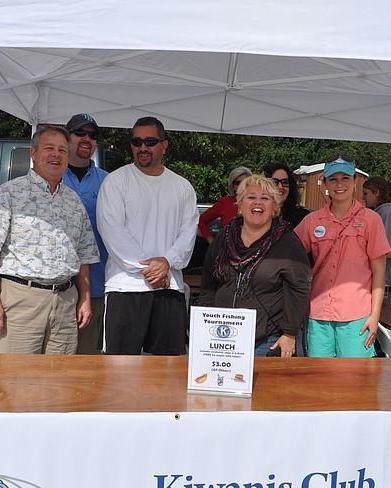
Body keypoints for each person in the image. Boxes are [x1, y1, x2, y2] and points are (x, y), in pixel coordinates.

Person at [0, 125, 99, 354]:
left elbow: (84, 255)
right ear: (33, 153)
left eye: (62, 150)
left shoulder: (74, 203)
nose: (56, 155)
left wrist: (85, 298)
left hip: (64, 305)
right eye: (49, 148)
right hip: (20, 302)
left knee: (58, 383)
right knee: (11, 381)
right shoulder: (7, 195)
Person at [97, 116, 199, 355]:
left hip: (170, 288)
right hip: (125, 288)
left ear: (164, 145)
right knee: (119, 371)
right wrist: (154, 270)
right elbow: (112, 232)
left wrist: (167, 262)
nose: (142, 147)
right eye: (136, 141)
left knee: (166, 372)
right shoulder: (115, 181)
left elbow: (188, 232)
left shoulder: (182, 186)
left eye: (150, 141)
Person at [200, 175, 311, 356]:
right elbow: (208, 283)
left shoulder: (288, 243)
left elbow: (300, 289)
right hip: (221, 338)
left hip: (265, 341)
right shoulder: (223, 238)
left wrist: (289, 334)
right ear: (240, 205)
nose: (257, 202)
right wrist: (205, 322)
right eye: (251, 197)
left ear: (275, 208)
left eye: (265, 198)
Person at [294, 156, 391, 358]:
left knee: (355, 380)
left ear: (355, 182)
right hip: (319, 315)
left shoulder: (371, 220)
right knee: (320, 379)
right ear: (325, 183)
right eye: (333, 179)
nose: (340, 184)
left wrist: (375, 316)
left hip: (356, 316)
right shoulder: (312, 220)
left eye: (345, 178)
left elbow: (379, 272)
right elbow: (289, 254)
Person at [62, 113, 108, 354]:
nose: (86, 139)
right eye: (80, 133)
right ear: (67, 136)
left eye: (92, 135)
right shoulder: (51, 177)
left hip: (97, 284)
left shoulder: (109, 182)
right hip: (57, 288)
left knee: (87, 359)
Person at [362, 176, 391, 292]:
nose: (363, 198)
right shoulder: (380, 212)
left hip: (386, 278)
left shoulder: (387, 213)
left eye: (365, 194)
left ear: (376, 193)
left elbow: (387, 248)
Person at [197, 167, 252, 244]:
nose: (242, 186)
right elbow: (201, 220)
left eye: (246, 183)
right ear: (232, 186)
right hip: (228, 251)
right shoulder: (224, 202)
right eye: (238, 183)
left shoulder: (258, 203)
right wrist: (212, 242)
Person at [263, 161, 310, 227]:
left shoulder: (303, 218)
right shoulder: (255, 215)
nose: (280, 187)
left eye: (285, 182)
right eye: (274, 182)